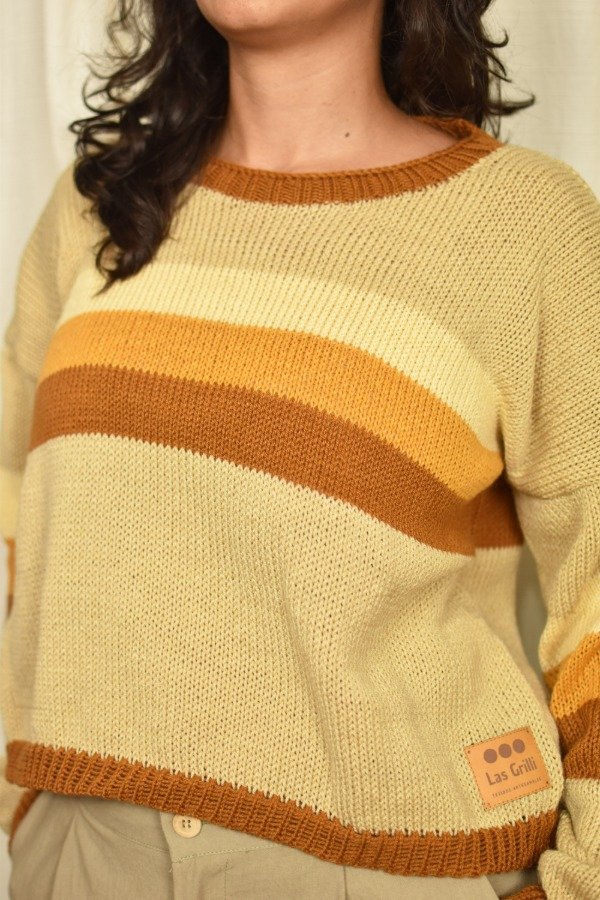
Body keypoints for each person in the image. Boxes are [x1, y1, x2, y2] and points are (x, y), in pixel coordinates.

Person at [0, 0, 598, 897]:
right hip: (87, 852)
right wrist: (37, 805)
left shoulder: (525, 225)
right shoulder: (98, 204)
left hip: (387, 862)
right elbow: (18, 507)